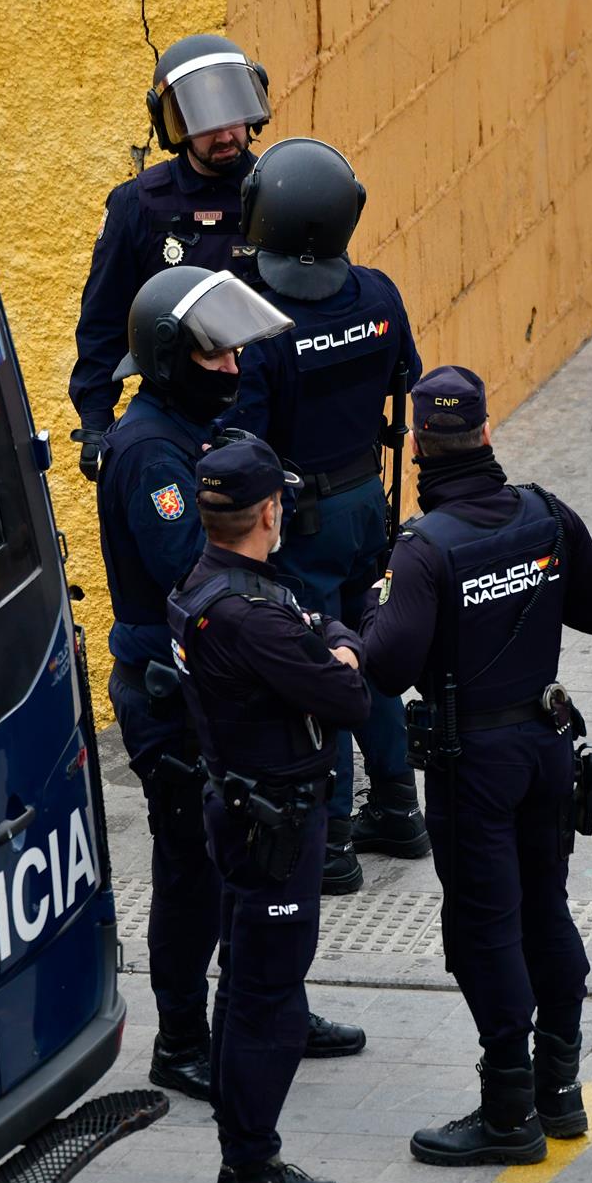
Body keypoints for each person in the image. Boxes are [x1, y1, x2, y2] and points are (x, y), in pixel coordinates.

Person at [97, 265, 365, 1104]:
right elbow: (200, 579)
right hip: (174, 695)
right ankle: (181, 1039)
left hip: (219, 685)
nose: (233, 368)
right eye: (215, 356)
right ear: (174, 358)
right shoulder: (151, 453)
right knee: (192, 871)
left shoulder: (194, 433)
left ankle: (273, 1000)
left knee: (257, 863)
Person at [360, 365, 592, 1167]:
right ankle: (561, 1091)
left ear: (424, 449)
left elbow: (386, 666)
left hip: (474, 765)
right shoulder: (545, 515)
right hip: (548, 750)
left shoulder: (425, 548)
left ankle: (510, 1111)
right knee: (547, 906)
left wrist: (376, 606)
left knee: (485, 928)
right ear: (485, 434)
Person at [167, 436, 372, 1183]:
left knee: (245, 989)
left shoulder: (210, 584)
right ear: (268, 512)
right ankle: (250, 1174)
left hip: (245, 811)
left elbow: (309, 623)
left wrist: (325, 640)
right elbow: (349, 695)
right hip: (274, 825)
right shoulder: (253, 618)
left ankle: (248, 1161)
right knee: (268, 1002)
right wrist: (344, 646)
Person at [222, 136, 430, 896]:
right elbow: (404, 376)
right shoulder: (379, 295)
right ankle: (400, 807)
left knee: (318, 667)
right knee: (367, 652)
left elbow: (243, 439)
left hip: (298, 519)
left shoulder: (259, 323)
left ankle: (334, 840)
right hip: (365, 506)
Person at [71, 34, 273, 480]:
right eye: (205, 122)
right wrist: (95, 421)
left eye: (234, 117)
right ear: (173, 125)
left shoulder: (279, 191)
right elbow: (103, 322)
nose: (224, 134)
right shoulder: (138, 205)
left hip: (267, 409)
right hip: (177, 419)